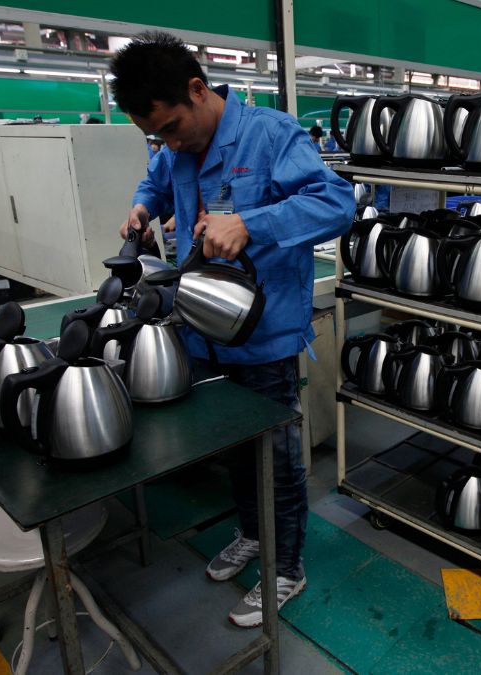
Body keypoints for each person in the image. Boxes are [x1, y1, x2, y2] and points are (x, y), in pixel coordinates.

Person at [111, 32, 355, 627]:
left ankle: (287, 567)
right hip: (202, 328)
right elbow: (158, 181)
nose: (168, 143)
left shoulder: (272, 135)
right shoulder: (175, 149)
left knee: (275, 455)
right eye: (156, 135)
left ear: (198, 90)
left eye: (171, 127)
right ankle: (252, 534)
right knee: (237, 453)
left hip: (264, 335)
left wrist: (251, 222)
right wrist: (145, 207)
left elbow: (337, 203)